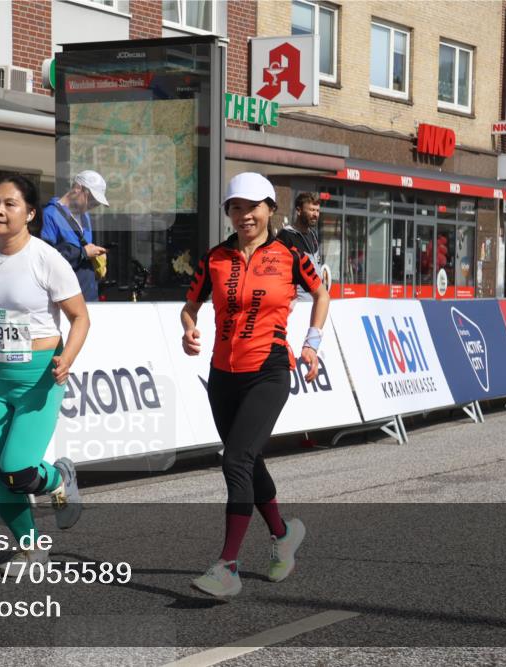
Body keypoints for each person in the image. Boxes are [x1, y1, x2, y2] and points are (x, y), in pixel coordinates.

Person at [181, 172, 330, 598]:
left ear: (269, 208)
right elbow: (190, 305)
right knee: (248, 462)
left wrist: (312, 344)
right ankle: (283, 535)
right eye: (235, 207)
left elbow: (321, 295)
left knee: (235, 461)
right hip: (222, 375)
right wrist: (188, 329)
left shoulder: (288, 254)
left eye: (252, 207)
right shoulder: (214, 258)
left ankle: (227, 566)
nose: (244, 215)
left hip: (268, 371)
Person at [0, 175, 91, 566]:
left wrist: (68, 358)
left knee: (18, 470)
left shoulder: (46, 259)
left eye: (10, 204)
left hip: (39, 378)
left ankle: (58, 479)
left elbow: (80, 319)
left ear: (30, 213)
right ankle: (31, 546)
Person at [41, 170, 109, 301]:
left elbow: (85, 251)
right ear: (77, 188)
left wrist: (96, 257)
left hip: (88, 294)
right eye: (92, 199)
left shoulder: (85, 216)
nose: (94, 205)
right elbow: (45, 260)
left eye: (97, 202)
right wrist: (83, 253)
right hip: (66, 300)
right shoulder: (49, 215)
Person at [277, 192, 323, 302]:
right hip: (298, 306)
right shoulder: (285, 235)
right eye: (312, 210)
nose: (316, 214)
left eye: (317, 211)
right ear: (299, 211)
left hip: (315, 302)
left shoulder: (312, 234)